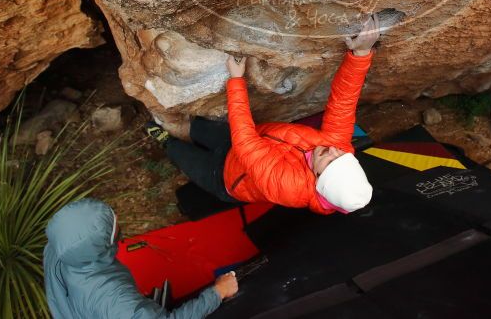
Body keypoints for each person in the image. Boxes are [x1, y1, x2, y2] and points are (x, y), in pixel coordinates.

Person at [148, 13, 381, 214]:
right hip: (243, 141)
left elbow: (246, 145)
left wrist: (237, 80)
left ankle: (165, 141)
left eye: (330, 160)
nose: (333, 149)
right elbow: (343, 103)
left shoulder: (289, 187)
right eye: (342, 155)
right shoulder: (337, 148)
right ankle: (186, 129)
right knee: (200, 128)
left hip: (226, 177)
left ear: (319, 179)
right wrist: (361, 54)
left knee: (182, 154)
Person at [44, 198, 238, 319]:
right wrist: (217, 292)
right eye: (114, 226)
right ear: (96, 247)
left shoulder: (58, 249)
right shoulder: (115, 301)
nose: (118, 217)